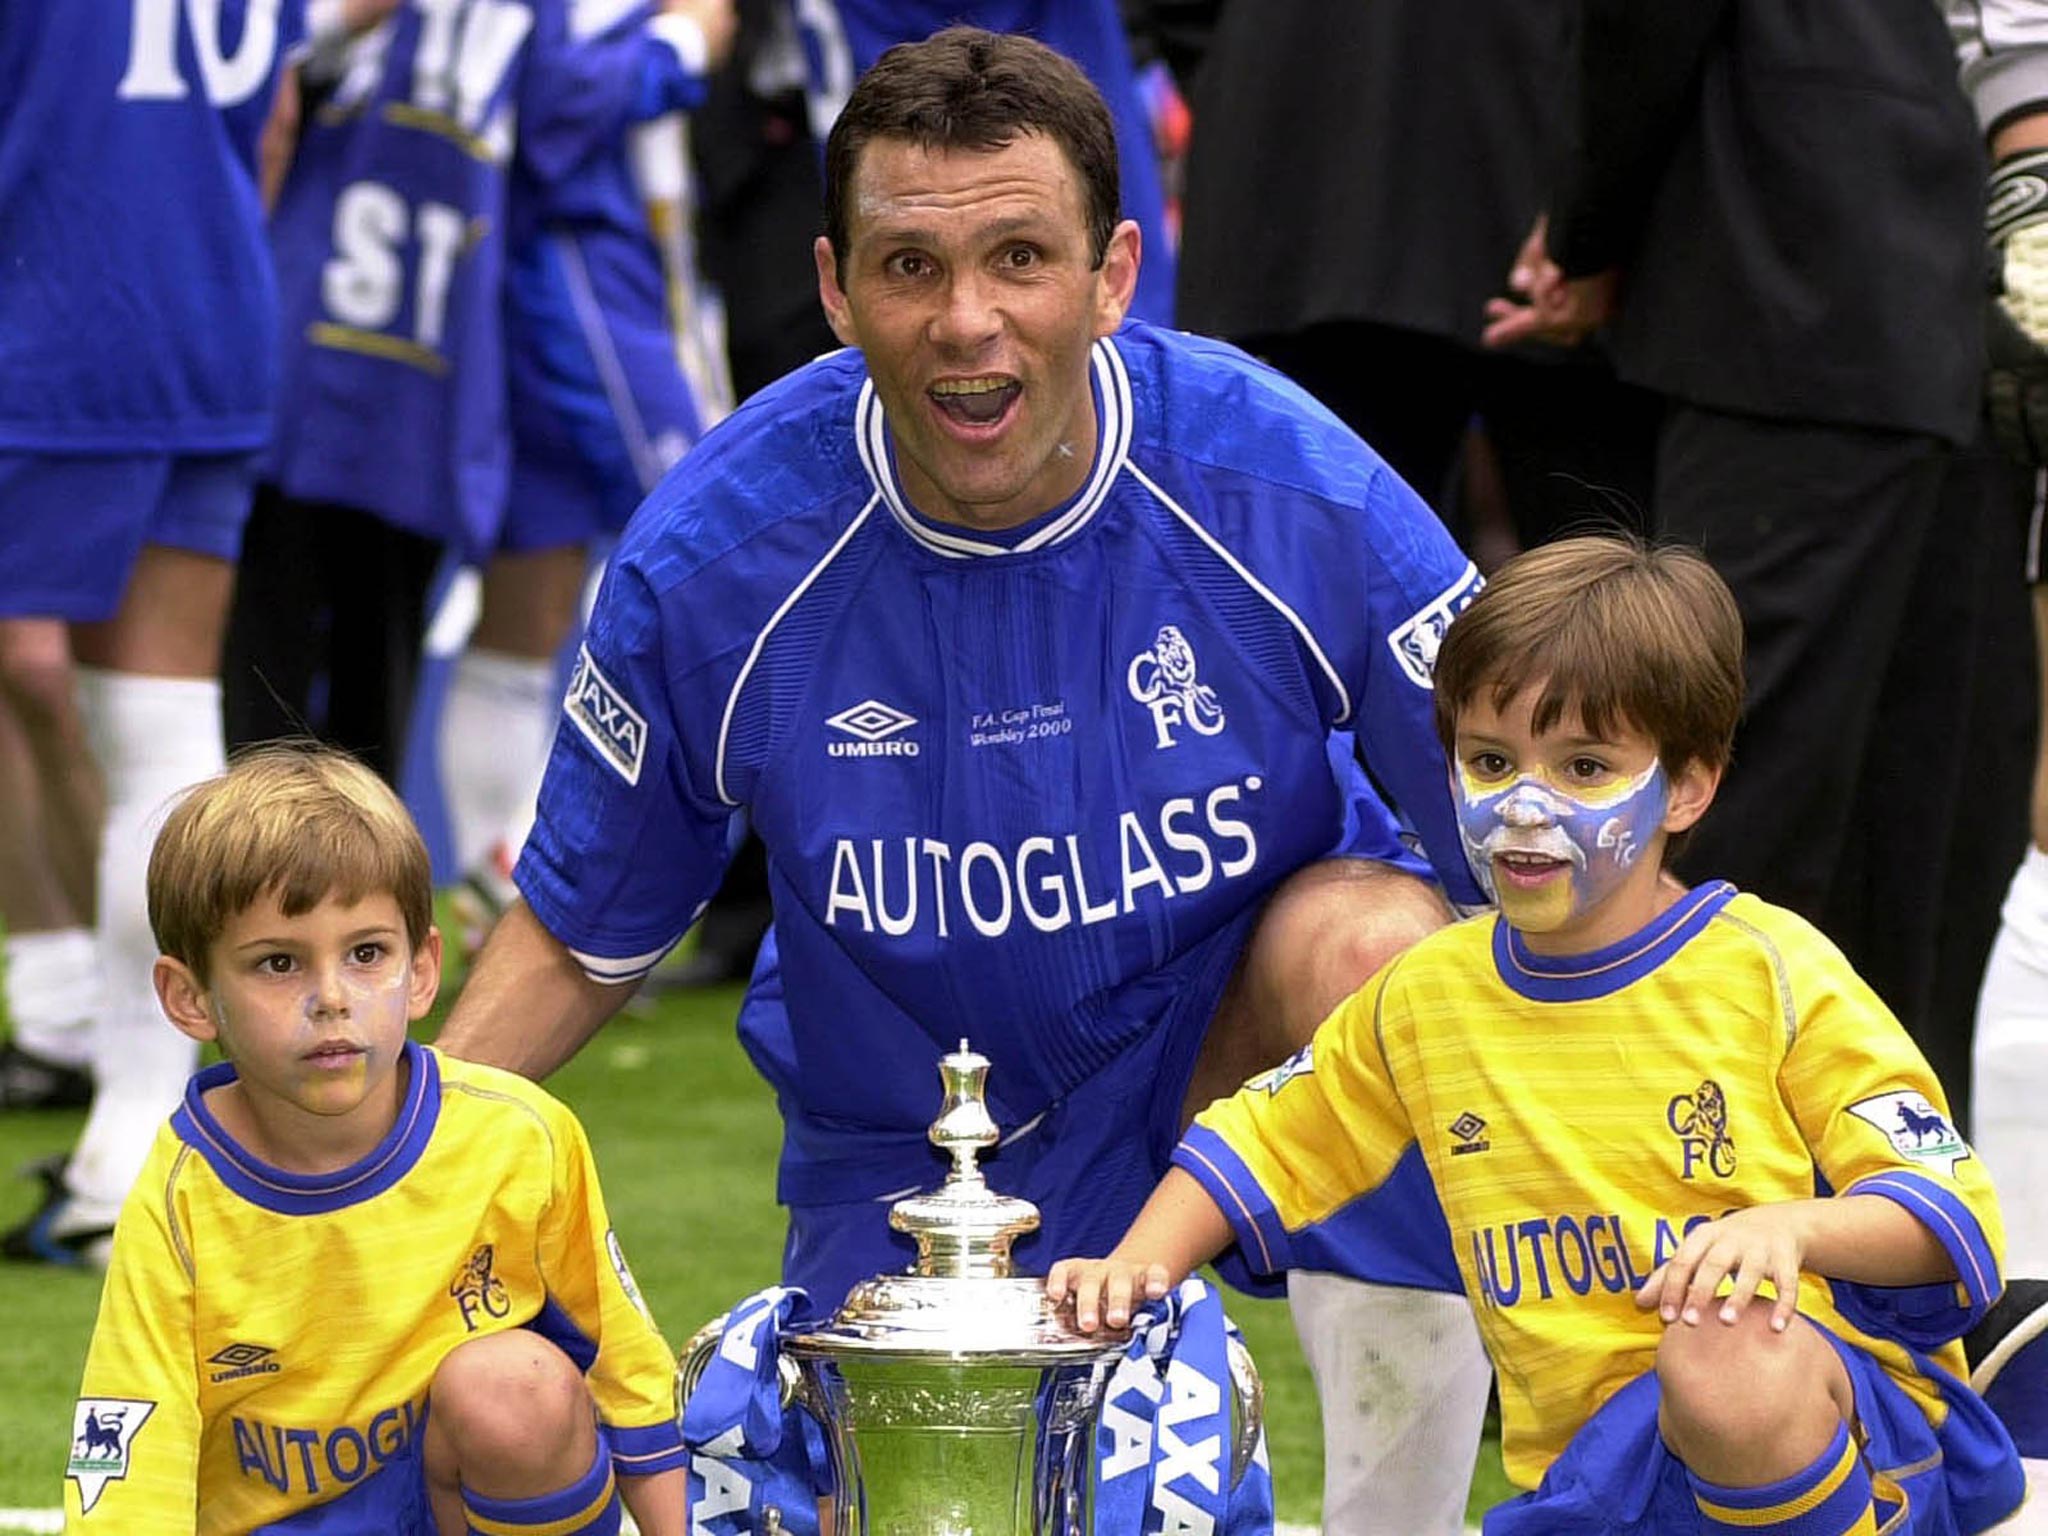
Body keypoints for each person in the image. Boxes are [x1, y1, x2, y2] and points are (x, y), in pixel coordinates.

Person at [438, 25, 1495, 1532]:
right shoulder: (714, 556)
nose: (969, 322)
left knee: (1387, 960)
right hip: (907, 1167)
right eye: (912, 269)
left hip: (1216, 1071)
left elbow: (1528, 825)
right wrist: (373, 1163)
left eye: (1020, 257)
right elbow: (584, 926)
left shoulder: (1283, 480)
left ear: (1114, 274)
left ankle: (1401, 1521)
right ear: (833, 287)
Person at [1051, 535, 2029, 1535]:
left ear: (1687, 788)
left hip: (1840, 1443)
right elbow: (1258, 1142)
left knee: (1720, 1349)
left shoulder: (1773, 972)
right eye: (1488, 761)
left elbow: (1946, 1215)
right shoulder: (1425, 999)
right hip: (1591, 1486)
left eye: (1584, 767)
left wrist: (1785, 1229)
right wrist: (1134, 1268)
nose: (1524, 806)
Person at [1478, 0, 2028, 1131]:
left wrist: (1585, 230)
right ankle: (1899, 1233)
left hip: (1798, 278)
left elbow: (1641, 35)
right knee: (1914, 825)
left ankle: (1704, 1196)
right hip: (1943, 284)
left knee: (1729, 786)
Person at [64, 745, 686, 1535]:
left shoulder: (518, 1134)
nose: (332, 999)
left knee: (516, 1385)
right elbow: (129, 1441)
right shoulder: (182, 1190)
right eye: (279, 963)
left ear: (423, 969)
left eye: (366, 954)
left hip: (462, 1505)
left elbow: (629, 1373)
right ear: (190, 998)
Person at [0, 0, 362, 1265]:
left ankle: (106, 1104)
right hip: (205, 316)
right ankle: (135, 1150)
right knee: (157, 729)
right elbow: (271, 120)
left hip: (48, 323)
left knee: (124, 725)